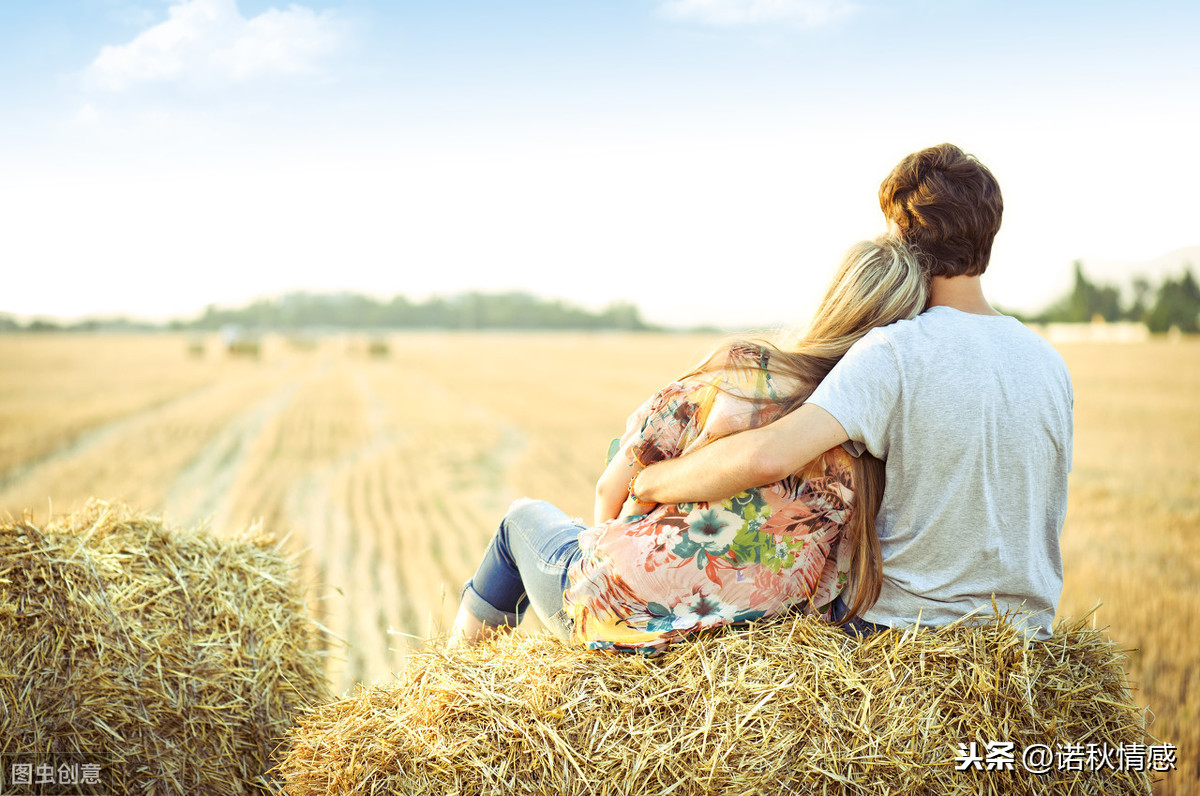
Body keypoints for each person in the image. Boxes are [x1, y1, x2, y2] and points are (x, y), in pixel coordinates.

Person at [633, 143, 1074, 640]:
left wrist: (652, 482)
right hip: (1026, 639)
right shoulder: (1049, 362)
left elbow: (766, 458)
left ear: (901, 239)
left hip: (901, 630)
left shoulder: (896, 351)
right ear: (989, 236)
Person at [451, 235, 928, 652]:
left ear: (834, 301)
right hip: (749, 636)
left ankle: (454, 686)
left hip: (626, 612)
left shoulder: (744, 369)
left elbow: (610, 489)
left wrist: (614, 571)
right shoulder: (865, 440)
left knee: (519, 522)